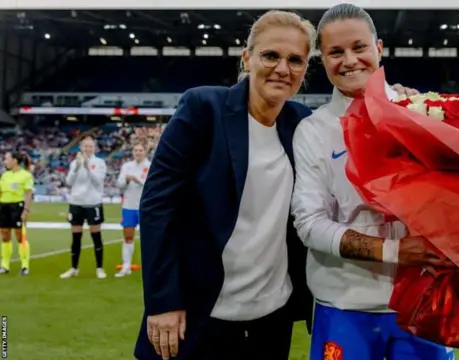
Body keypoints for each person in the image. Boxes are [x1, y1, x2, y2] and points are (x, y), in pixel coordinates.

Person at [133, 10, 317, 360]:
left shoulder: (303, 124)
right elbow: (157, 205)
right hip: (199, 314)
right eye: (271, 55)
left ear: (305, 69)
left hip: (272, 317)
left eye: (295, 60)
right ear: (247, 58)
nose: (282, 68)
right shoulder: (203, 108)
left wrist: (396, 98)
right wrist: (163, 301)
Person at [291, 4, 456, 360]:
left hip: (423, 300)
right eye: (336, 52)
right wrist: (395, 251)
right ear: (323, 58)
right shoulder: (314, 130)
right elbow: (309, 223)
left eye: (359, 47)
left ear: (378, 49)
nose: (349, 60)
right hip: (345, 304)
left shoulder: (422, 112)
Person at [59, 136, 108, 279]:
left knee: (96, 236)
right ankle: (74, 268)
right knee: (76, 237)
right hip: (76, 202)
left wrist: (87, 167)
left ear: (94, 148)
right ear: (80, 148)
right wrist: (78, 168)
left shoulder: (99, 163)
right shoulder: (75, 163)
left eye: (90, 146)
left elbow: (98, 181)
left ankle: (99, 268)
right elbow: (69, 181)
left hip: (93, 202)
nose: (88, 149)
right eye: (85, 146)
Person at [114, 143, 150, 278]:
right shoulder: (126, 166)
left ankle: (150, 267)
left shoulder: (150, 166)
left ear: (145, 152)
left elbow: (151, 184)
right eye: (136, 150)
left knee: (148, 238)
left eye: (140, 150)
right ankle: (126, 266)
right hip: (128, 205)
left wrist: (138, 180)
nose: (138, 152)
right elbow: (119, 184)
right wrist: (127, 181)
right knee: (128, 236)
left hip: (145, 206)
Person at [0, 152, 34, 276]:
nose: (5, 161)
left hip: (17, 206)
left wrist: (26, 211)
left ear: (14, 160)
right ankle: (4, 265)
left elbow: (29, 194)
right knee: (4, 236)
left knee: (20, 237)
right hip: (3, 206)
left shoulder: (26, 175)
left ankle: (25, 266)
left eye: (7, 159)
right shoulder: (5, 175)